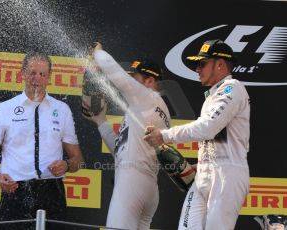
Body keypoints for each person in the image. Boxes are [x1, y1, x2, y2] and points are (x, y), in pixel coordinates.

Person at [144, 39, 250, 230]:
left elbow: (208, 127)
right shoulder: (212, 96)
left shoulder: (233, 88)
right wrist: (200, 163)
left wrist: (164, 136)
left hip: (227, 174)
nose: (197, 69)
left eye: (202, 64)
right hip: (204, 174)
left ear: (220, 64)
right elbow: (213, 137)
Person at [0, 51, 84, 230]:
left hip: (52, 191)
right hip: (15, 191)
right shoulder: (3, 109)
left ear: (49, 77)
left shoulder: (62, 109)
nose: (37, 78)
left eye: (42, 74)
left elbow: (79, 161)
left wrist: (66, 165)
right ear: (23, 73)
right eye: (33, 73)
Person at [83, 42, 170, 230]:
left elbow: (117, 75)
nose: (130, 82)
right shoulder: (149, 108)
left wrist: (98, 52)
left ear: (149, 81)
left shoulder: (148, 97)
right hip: (147, 187)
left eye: (135, 78)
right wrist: (101, 122)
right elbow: (120, 152)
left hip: (132, 181)